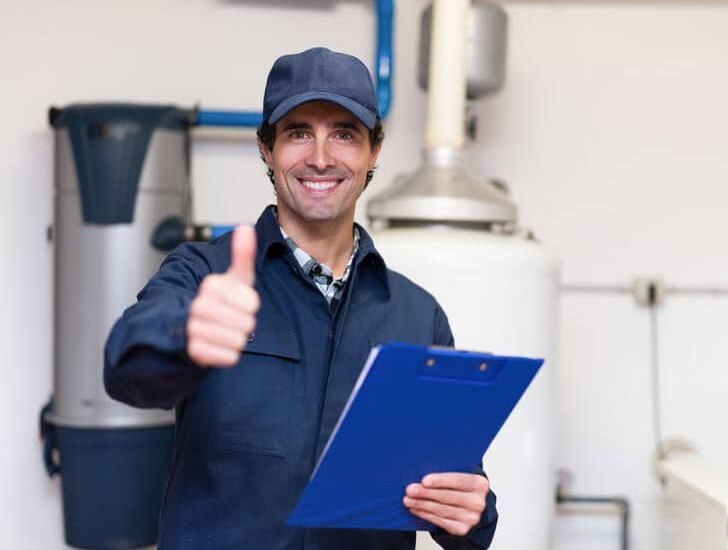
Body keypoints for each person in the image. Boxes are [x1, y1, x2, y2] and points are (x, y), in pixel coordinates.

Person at [103, 47, 497, 549]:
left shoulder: (418, 316)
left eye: (344, 134)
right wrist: (185, 333)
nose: (320, 157)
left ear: (373, 151)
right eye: (298, 133)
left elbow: (460, 498)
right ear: (266, 148)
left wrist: (471, 513)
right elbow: (127, 371)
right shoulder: (205, 276)